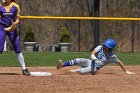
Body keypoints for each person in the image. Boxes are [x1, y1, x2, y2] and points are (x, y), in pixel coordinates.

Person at [56, 38, 135, 75]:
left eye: (107, 46)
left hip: (94, 68)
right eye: (105, 45)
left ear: (111, 48)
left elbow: (119, 62)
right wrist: (93, 55)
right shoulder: (100, 47)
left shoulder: (112, 56)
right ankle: (62, 65)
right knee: (78, 59)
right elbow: (93, 52)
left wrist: (126, 71)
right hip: (90, 61)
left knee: (81, 71)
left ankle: (76, 70)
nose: (105, 46)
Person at [0, 0, 30, 75]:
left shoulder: (16, 6)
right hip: (2, 28)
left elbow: (17, 19)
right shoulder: (0, 5)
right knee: (0, 48)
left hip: (12, 29)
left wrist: (14, 25)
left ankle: (24, 69)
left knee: (17, 48)